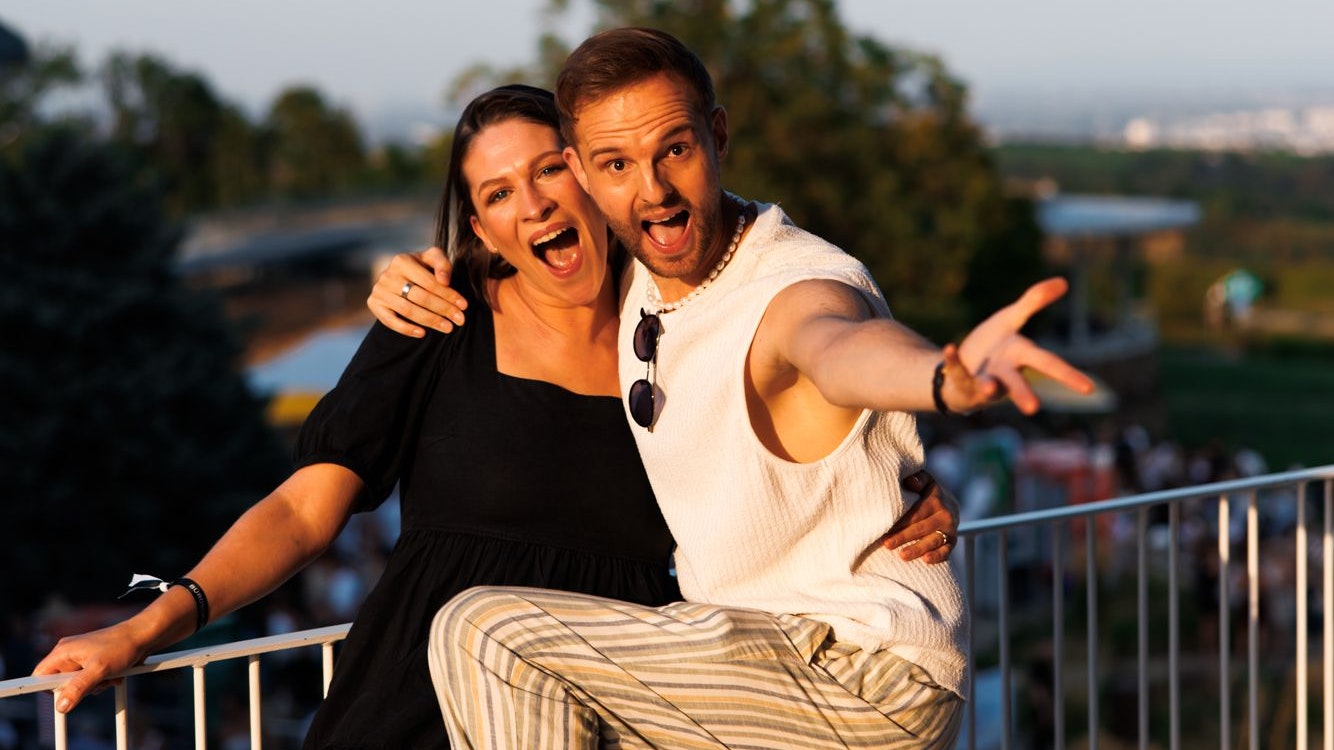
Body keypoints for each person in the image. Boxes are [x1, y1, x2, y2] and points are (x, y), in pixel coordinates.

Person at [30, 84, 958, 749]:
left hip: (612, 703)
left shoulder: (683, 323)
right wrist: (150, 625)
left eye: (550, 168)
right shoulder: (440, 316)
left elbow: (813, 376)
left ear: (594, 178)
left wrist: (894, 483)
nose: (534, 204)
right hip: (406, 700)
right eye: (497, 194)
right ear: (478, 226)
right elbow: (303, 511)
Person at [372, 28, 1094, 748]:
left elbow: (834, 341)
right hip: (752, 661)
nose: (652, 189)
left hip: (860, 674)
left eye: (675, 151)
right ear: (583, 174)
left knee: (485, 632)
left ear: (718, 137)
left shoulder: (787, 282)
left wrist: (940, 380)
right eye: (617, 163)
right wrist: (400, 277)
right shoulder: (641, 279)